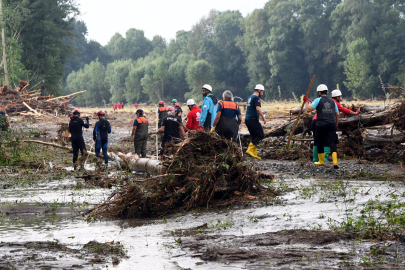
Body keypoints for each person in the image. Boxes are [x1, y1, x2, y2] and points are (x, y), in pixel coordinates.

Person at [311, 89, 361, 162]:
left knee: (317, 139)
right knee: (327, 140)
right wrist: (356, 113)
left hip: (315, 120)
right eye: (340, 97)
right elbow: (343, 111)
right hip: (323, 122)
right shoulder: (334, 102)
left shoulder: (326, 100)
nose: (340, 98)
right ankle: (325, 158)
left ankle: (315, 158)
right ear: (337, 97)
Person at [304, 84, 340, 169]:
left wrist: (306, 101)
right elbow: (337, 114)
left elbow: (309, 109)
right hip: (331, 124)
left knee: (319, 141)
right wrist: (336, 124)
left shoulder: (318, 100)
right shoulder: (333, 101)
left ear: (319, 92)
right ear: (326, 92)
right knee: (332, 142)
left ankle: (321, 161)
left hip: (321, 124)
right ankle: (335, 163)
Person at [245, 84, 267, 159]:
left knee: (254, 136)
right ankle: (250, 149)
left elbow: (253, 109)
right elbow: (257, 108)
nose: (262, 94)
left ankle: (253, 154)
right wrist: (263, 117)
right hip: (253, 120)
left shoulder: (249, 97)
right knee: (261, 135)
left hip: (247, 119)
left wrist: (262, 112)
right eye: (262, 92)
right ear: (259, 90)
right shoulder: (257, 98)